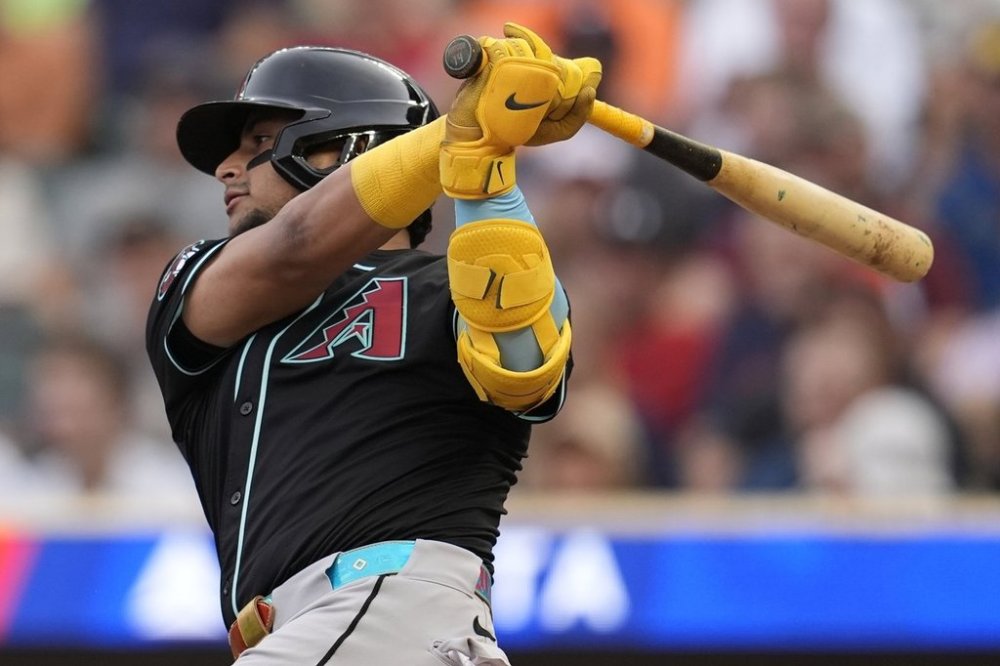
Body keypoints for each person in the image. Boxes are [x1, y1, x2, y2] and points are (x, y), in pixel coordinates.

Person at [145, 23, 600, 664]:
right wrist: (461, 133)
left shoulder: (452, 284)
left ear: (340, 148)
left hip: (395, 609)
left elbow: (527, 373)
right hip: (305, 631)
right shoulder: (203, 280)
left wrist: (486, 165)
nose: (226, 168)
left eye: (258, 143)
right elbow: (295, 250)